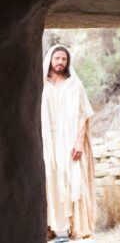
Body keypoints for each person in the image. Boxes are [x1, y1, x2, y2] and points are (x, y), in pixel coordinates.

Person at [41, 44, 95, 241]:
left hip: (69, 139)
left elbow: (84, 114)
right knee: (49, 179)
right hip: (47, 139)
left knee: (70, 179)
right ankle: (49, 228)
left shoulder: (74, 85)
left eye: (64, 59)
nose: (60, 62)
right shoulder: (41, 84)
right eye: (57, 58)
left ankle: (72, 228)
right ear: (50, 60)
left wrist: (79, 143)